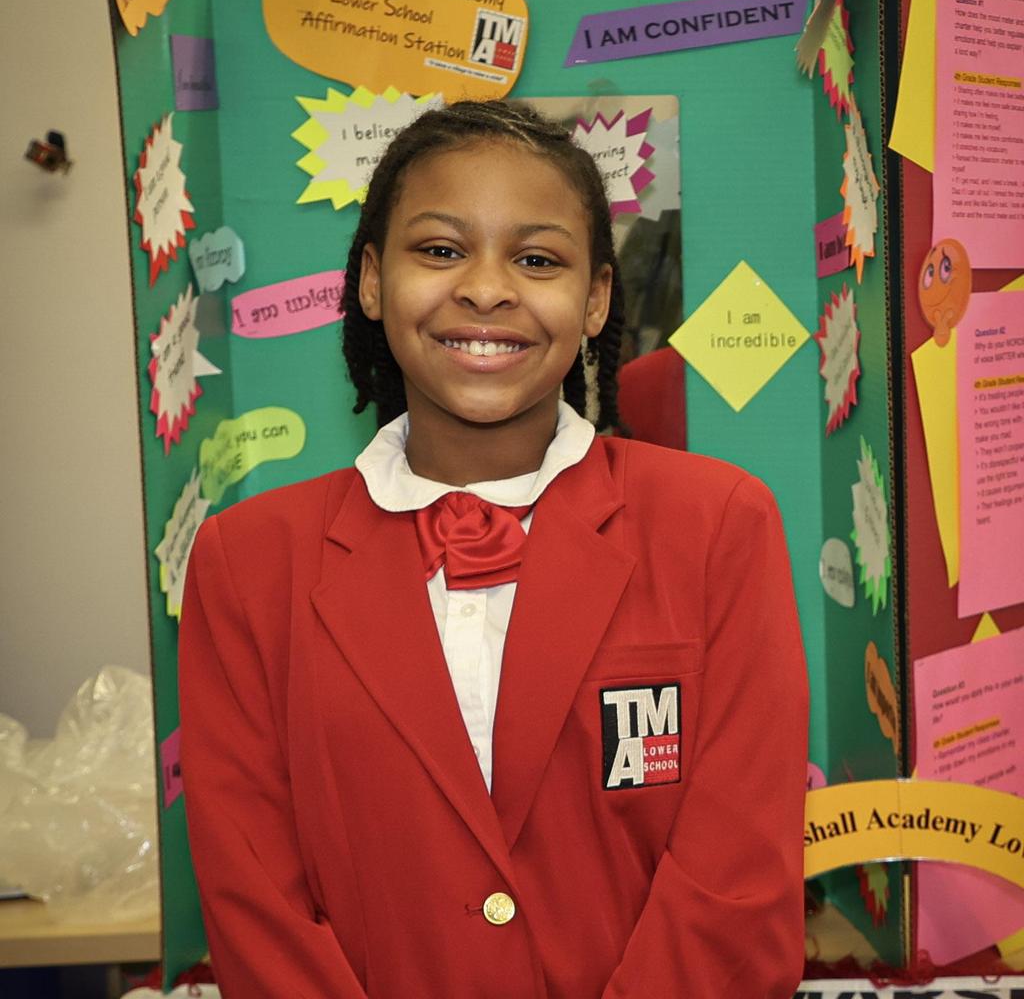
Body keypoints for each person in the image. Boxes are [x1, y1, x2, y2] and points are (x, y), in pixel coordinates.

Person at [179, 100, 809, 998]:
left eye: (538, 259)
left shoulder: (717, 528)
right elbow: (257, 907)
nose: (485, 288)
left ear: (595, 300)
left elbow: (734, 883)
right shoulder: (247, 564)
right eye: (439, 250)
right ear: (369, 280)